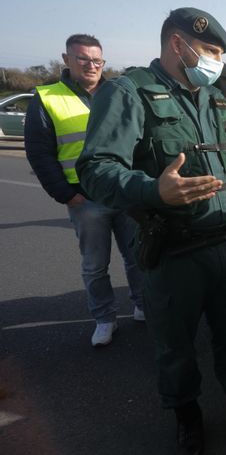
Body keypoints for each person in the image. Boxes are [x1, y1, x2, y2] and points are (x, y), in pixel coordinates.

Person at [75, 7, 226, 453]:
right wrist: (154, 190)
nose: (217, 61)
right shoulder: (129, 92)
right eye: (211, 50)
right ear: (179, 44)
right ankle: (187, 416)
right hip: (174, 251)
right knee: (175, 345)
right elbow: (95, 169)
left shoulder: (215, 97)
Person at [24, 33, 145, 347]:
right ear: (66, 60)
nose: (91, 66)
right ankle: (105, 319)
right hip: (85, 199)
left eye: (97, 60)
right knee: (95, 266)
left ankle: (144, 305)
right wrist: (66, 194)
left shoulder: (118, 91)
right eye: (83, 59)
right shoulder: (48, 96)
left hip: (124, 192)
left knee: (138, 256)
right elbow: (39, 152)